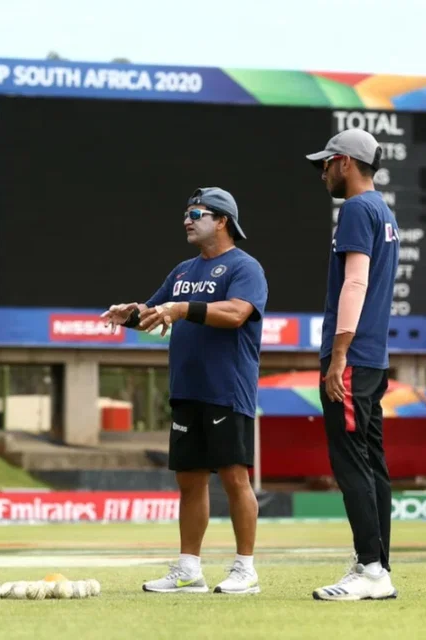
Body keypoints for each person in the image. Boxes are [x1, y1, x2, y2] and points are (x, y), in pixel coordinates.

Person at [102, 187, 267, 596]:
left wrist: (181, 309)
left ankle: (245, 570)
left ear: (223, 220)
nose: (186, 220)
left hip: (227, 389)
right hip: (187, 389)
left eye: (196, 214)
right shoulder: (182, 271)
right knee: (190, 481)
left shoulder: (245, 267)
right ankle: (189, 570)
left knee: (234, 477)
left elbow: (236, 313)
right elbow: (154, 313)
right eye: (186, 214)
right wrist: (130, 315)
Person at [304, 129, 400, 601]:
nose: (322, 172)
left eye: (326, 163)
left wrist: (339, 354)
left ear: (344, 162)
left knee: (350, 463)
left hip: (353, 357)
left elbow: (356, 282)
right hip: (373, 359)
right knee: (371, 462)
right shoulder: (384, 211)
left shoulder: (358, 209)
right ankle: (377, 567)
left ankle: (371, 570)